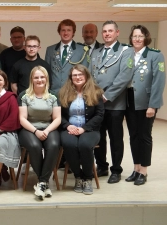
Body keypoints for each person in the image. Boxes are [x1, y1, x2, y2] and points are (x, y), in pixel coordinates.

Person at [89, 20, 134, 184]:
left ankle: (116, 169)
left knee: (115, 138)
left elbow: (125, 77)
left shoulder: (125, 51)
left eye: (110, 31)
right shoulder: (96, 52)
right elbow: (90, 76)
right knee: (98, 137)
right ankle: (102, 166)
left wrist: (107, 95)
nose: (107, 34)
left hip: (114, 103)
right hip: (96, 103)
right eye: (104, 31)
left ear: (117, 33)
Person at [125, 25, 165, 185]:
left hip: (146, 102)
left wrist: (153, 105)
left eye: (140, 36)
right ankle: (136, 168)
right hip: (129, 100)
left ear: (146, 38)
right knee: (133, 135)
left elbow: (159, 82)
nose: (137, 39)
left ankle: (144, 171)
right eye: (134, 36)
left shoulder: (155, 55)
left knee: (144, 136)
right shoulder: (128, 54)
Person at [59, 64, 104, 195]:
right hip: (69, 128)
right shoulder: (63, 92)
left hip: (90, 130)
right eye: (75, 75)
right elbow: (58, 115)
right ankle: (78, 177)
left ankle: (88, 178)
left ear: (86, 76)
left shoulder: (96, 92)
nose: (78, 77)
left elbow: (99, 115)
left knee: (84, 145)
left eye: (80, 74)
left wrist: (84, 129)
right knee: (69, 144)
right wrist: (68, 125)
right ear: (70, 78)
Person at [18, 66, 61, 200]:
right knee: (35, 146)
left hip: (49, 127)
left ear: (46, 78)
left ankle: (42, 182)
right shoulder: (24, 95)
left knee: (54, 145)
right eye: (36, 77)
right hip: (29, 129)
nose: (39, 80)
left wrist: (47, 130)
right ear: (32, 79)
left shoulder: (53, 95)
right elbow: (22, 118)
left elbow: (57, 118)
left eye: (42, 77)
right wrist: (36, 131)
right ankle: (44, 183)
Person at [45, 19, 89, 96]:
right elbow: (47, 73)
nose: (66, 33)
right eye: (63, 30)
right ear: (59, 32)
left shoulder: (81, 50)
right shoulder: (50, 50)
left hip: (74, 93)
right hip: (54, 93)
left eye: (69, 30)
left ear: (73, 33)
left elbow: (85, 74)